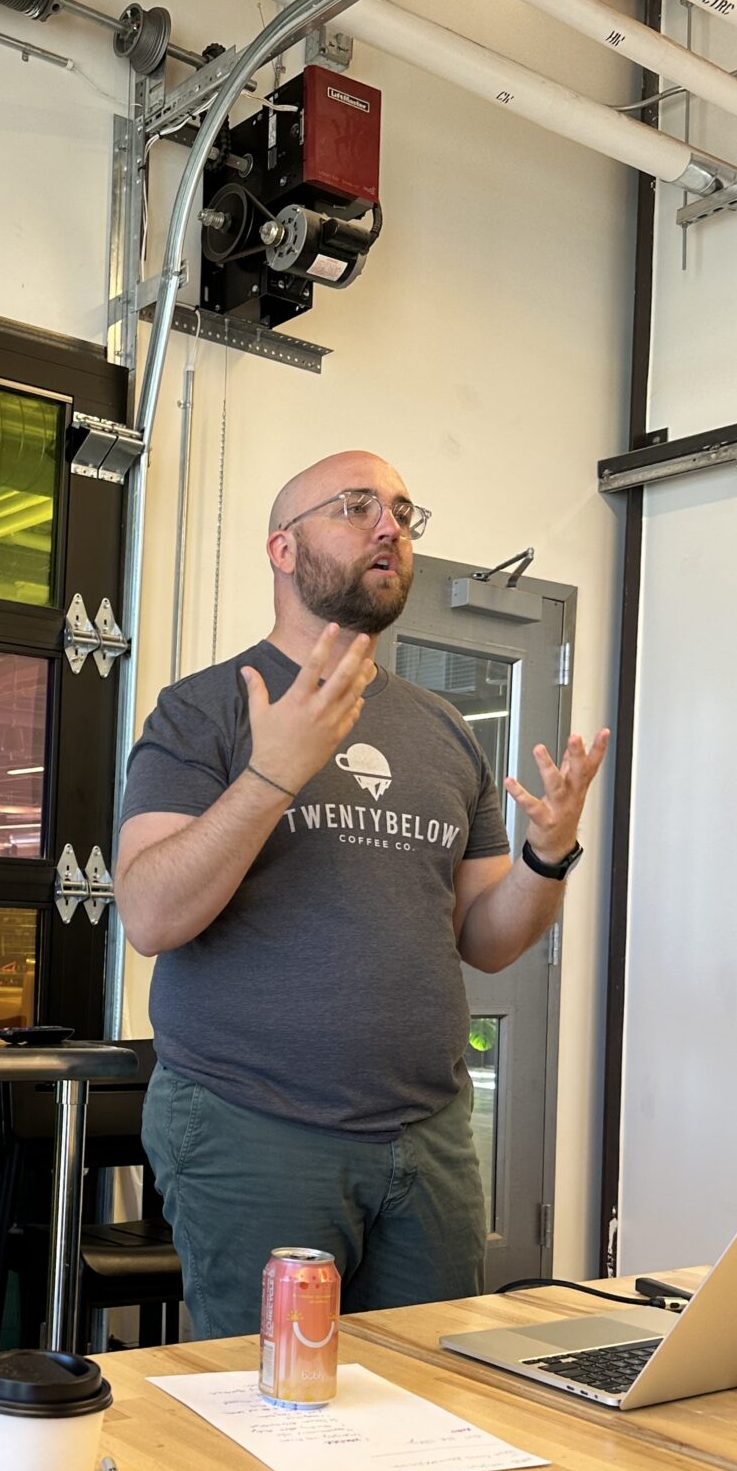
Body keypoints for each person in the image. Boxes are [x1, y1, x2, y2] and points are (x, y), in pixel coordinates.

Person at [114, 450, 608, 1339]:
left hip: (430, 1138)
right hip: (253, 1126)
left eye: (404, 513)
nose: (390, 526)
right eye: (356, 507)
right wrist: (274, 772)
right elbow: (149, 912)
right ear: (281, 548)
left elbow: (485, 937)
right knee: (268, 1414)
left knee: (429, 1409)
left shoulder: (442, 729)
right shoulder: (205, 710)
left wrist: (549, 854)